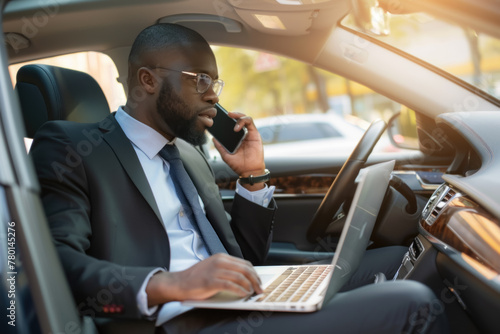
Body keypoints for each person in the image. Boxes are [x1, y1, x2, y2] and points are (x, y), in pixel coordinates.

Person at [30, 23, 448, 333]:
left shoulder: (190, 155)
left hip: (237, 303)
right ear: (148, 80)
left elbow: (244, 257)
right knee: (412, 303)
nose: (214, 95)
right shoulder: (71, 147)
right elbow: (55, 264)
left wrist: (252, 178)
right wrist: (171, 284)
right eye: (201, 81)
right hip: (175, 322)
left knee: (404, 260)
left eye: (217, 82)